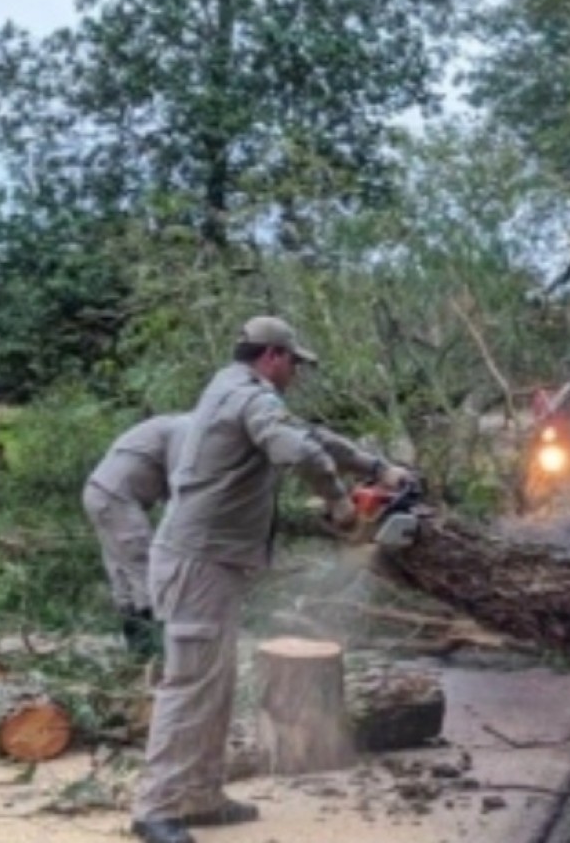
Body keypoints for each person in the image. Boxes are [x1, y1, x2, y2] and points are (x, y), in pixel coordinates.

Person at [130, 316, 412, 843]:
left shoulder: (235, 391)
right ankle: (156, 808)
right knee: (190, 682)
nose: (296, 375)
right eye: (294, 365)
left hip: (208, 560)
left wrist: (377, 468)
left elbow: (311, 435)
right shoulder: (248, 396)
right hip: (198, 560)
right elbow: (299, 452)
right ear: (273, 357)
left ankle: (200, 796)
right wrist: (340, 503)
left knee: (215, 683)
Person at [82, 410, 190, 659]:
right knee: (144, 568)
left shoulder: (175, 425)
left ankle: (136, 649)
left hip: (102, 492)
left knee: (122, 571)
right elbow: (181, 486)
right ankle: (153, 648)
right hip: (116, 495)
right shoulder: (188, 429)